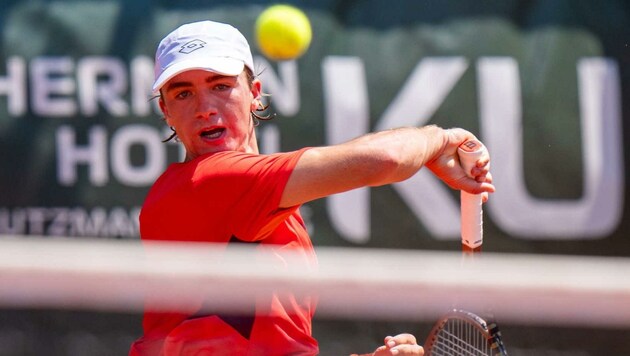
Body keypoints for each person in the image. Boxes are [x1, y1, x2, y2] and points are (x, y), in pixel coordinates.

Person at [129, 20, 494, 356]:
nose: (204, 108)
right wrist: (440, 139)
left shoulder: (263, 205)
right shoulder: (206, 182)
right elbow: (385, 160)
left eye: (221, 86)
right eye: (183, 94)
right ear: (165, 110)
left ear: (255, 92)